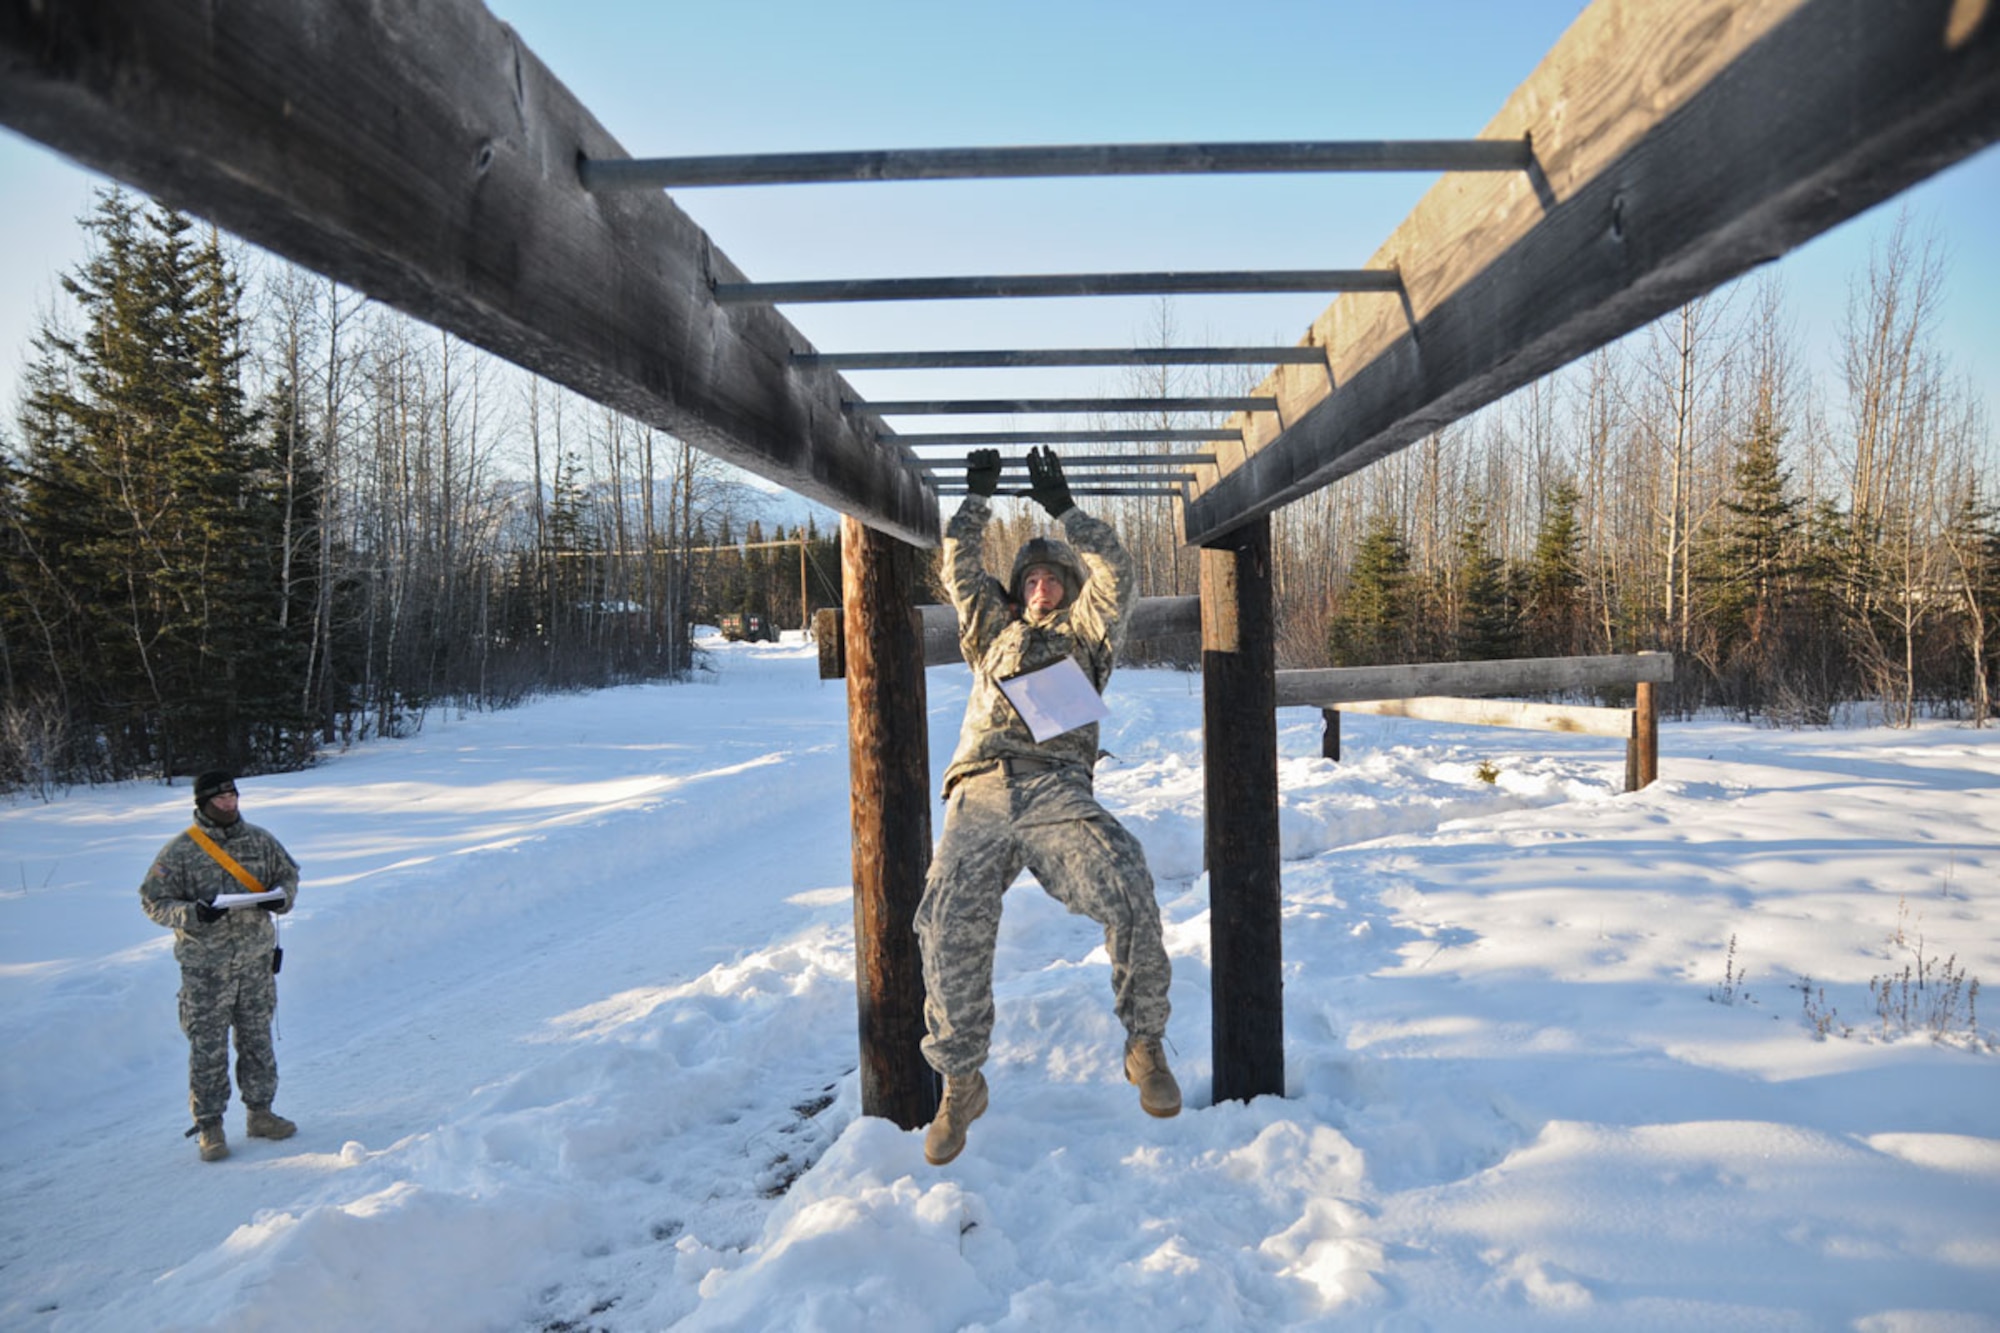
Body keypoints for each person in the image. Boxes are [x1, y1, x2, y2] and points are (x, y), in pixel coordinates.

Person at [917, 445, 1179, 1167]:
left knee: (1126, 881)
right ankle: (960, 1081)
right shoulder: (989, 634)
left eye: (1051, 578)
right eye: (1029, 578)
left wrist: (1066, 514)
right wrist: (976, 503)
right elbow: (958, 568)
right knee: (944, 921)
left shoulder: (1087, 636)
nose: (1039, 586)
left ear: (1066, 587)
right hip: (981, 791)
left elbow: (1117, 570)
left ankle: (1145, 1045)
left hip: (1057, 790)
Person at [140, 770, 301, 1162]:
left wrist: (279, 900)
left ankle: (260, 1113)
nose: (229, 804)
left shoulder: (260, 841)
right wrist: (192, 914)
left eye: (233, 796)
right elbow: (153, 901)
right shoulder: (180, 851)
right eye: (220, 799)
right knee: (208, 1048)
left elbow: (288, 875)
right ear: (204, 803)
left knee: (257, 1041)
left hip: (255, 964)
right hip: (206, 969)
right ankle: (210, 1126)